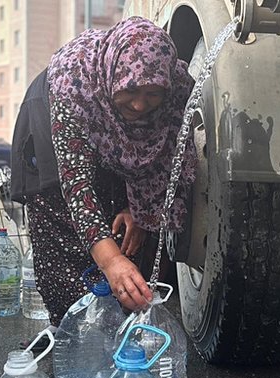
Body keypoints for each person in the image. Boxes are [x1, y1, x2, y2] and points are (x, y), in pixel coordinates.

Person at [10, 17, 196, 343]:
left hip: (107, 123)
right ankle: (71, 330)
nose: (140, 104)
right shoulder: (72, 85)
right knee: (62, 217)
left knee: (120, 228)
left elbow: (163, 155)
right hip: (53, 119)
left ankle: (115, 326)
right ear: (115, 78)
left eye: (153, 93)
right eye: (132, 90)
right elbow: (76, 183)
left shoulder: (177, 84)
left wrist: (137, 208)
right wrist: (111, 262)